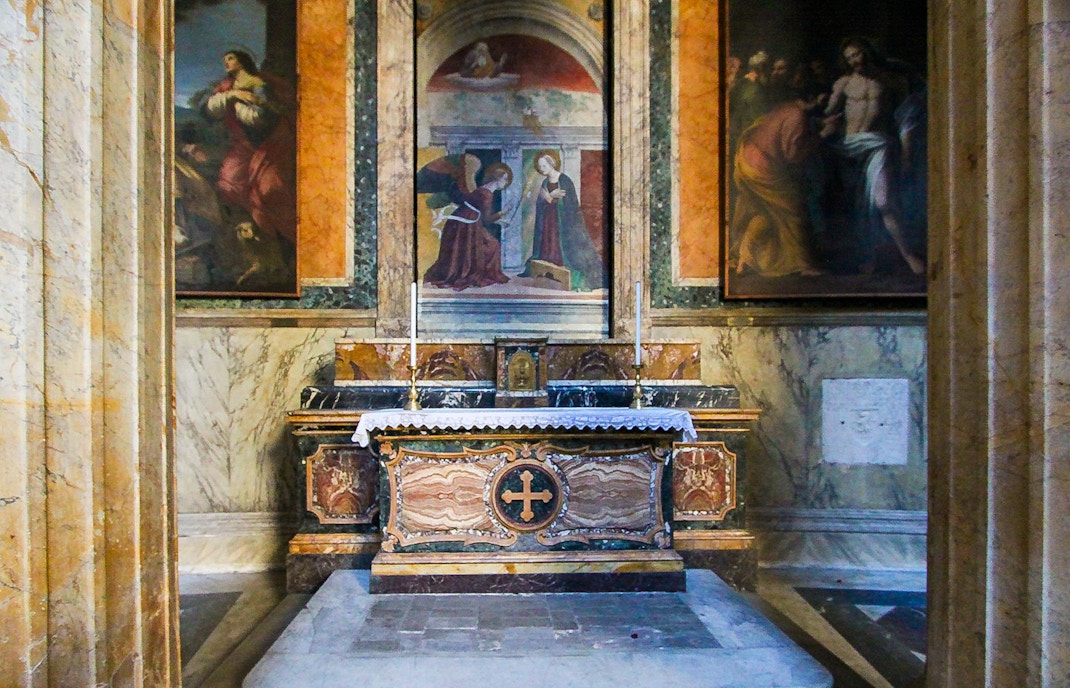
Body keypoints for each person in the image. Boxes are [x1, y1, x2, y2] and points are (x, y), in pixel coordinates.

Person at [821, 37, 925, 274]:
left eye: (858, 53)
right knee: (855, 205)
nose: (856, 60)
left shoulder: (893, 81)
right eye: (850, 57)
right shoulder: (844, 84)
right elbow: (828, 114)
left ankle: (909, 257)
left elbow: (905, 121)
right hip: (848, 148)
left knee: (883, 201)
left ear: (867, 51)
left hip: (879, 145)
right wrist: (824, 120)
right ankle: (869, 257)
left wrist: (907, 154)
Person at [199, 50, 296, 249]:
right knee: (229, 182)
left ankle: (282, 240)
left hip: (268, 145)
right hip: (241, 146)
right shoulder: (226, 87)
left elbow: (262, 118)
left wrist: (237, 107)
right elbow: (208, 109)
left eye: (231, 58)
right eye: (224, 59)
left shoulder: (258, 83)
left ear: (242, 61)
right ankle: (252, 230)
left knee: (270, 189)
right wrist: (232, 95)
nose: (226, 63)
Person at [729, 85, 827, 277]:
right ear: (811, 98)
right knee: (793, 209)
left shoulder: (786, 107)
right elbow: (793, 155)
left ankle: (745, 259)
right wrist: (823, 135)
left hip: (747, 157)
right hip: (762, 166)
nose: (824, 105)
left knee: (766, 211)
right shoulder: (798, 115)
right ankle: (803, 265)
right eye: (822, 100)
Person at [423, 163, 513, 291]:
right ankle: (476, 273)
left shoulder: (484, 189)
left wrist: (501, 220)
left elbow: (482, 216)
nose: (506, 182)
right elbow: (486, 219)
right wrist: (502, 213)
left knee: (490, 244)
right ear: (496, 178)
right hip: (465, 224)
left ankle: (471, 270)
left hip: (465, 221)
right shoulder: (487, 194)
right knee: (492, 244)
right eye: (504, 179)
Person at [526, 150, 606, 291]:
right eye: (540, 166)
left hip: (562, 223)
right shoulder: (545, 182)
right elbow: (541, 202)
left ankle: (564, 271)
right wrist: (548, 199)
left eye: (543, 165)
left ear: (552, 164)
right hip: (548, 221)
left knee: (561, 247)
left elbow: (571, 204)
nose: (541, 169)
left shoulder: (564, 180)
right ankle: (549, 271)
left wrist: (550, 199)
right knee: (548, 244)